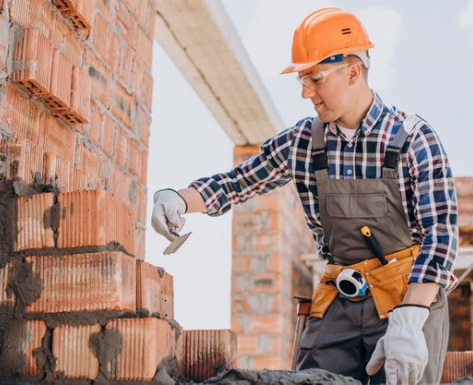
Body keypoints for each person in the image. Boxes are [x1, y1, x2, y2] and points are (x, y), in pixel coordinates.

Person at [151, 7, 457, 385]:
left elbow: (441, 236)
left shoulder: (412, 138)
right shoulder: (304, 142)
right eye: (302, 79)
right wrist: (178, 198)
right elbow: (237, 181)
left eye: (315, 78)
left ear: (352, 71)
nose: (305, 92)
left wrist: (411, 316)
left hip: (407, 296)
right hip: (340, 299)